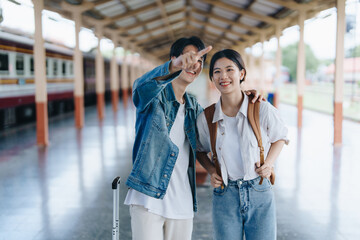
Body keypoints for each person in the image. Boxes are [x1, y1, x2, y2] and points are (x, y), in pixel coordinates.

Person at [124, 37, 261, 240]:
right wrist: (173, 67)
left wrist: (245, 98)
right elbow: (139, 88)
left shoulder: (194, 108)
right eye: (188, 58)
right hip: (148, 198)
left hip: (182, 201)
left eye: (199, 61)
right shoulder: (154, 99)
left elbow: (215, 133)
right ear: (174, 59)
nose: (194, 65)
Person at [196, 49, 289, 240]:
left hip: (259, 190)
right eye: (217, 71)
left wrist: (269, 163)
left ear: (242, 74)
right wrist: (212, 170)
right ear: (212, 78)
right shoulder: (207, 117)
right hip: (225, 195)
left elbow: (280, 137)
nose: (223, 76)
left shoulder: (261, 108)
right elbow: (199, 150)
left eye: (230, 69)